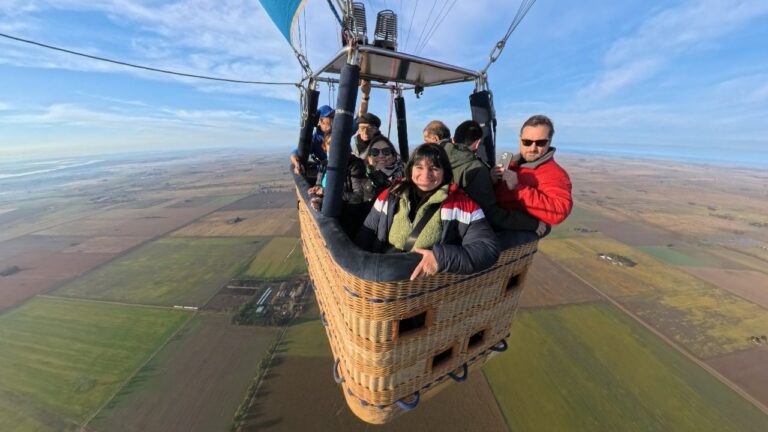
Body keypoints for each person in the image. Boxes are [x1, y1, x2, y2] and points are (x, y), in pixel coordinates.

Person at [356, 144, 499, 280]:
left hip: (426, 288)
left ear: (445, 172)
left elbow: (487, 249)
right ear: (410, 169)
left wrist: (440, 258)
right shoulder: (390, 196)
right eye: (419, 167)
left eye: (434, 168)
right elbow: (366, 234)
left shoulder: (462, 206)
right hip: (384, 281)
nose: (426, 175)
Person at [442, 120, 546, 235]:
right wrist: (531, 224)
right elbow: (490, 214)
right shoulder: (477, 169)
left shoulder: (435, 154)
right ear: (477, 143)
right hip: (459, 231)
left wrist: (489, 180)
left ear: (453, 139)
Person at [493, 114, 572, 225]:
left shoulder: (555, 174)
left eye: (540, 143)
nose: (532, 148)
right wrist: (491, 180)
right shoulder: (512, 163)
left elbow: (558, 212)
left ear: (549, 142)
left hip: (513, 231)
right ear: (520, 140)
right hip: (496, 218)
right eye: (527, 142)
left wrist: (518, 188)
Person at [308, 134, 369, 236]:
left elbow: (359, 196)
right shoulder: (324, 164)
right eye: (330, 143)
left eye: (338, 142)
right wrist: (316, 196)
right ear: (324, 147)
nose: (334, 146)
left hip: (347, 220)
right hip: (327, 216)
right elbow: (319, 186)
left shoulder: (355, 165)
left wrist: (328, 193)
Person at [291, 105, 334, 175]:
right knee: (293, 167)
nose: (334, 119)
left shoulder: (339, 131)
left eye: (334, 116)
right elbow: (295, 152)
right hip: (324, 168)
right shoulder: (315, 139)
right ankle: (308, 186)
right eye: (331, 117)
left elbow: (356, 123)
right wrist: (297, 164)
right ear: (321, 120)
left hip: (340, 165)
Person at [363, 135, 404, 201]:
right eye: (375, 152)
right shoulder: (362, 178)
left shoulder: (403, 178)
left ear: (393, 157)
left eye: (386, 151)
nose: (381, 155)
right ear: (369, 158)